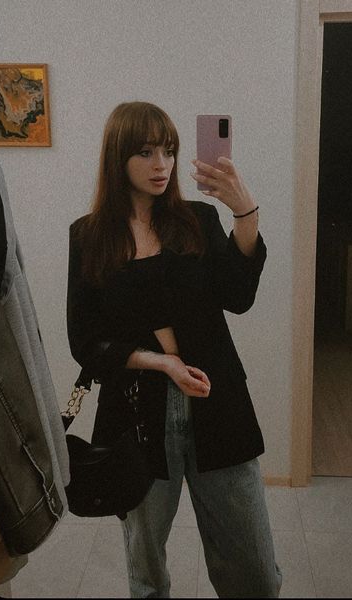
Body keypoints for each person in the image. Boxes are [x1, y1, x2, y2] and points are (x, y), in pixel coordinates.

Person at [67, 101, 282, 598]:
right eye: (145, 152)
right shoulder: (89, 236)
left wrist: (245, 214)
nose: (161, 164)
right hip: (136, 418)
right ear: (118, 157)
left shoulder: (198, 220)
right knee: (146, 575)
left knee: (255, 575)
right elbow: (85, 341)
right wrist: (160, 362)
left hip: (217, 404)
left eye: (168, 151)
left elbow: (238, 296)